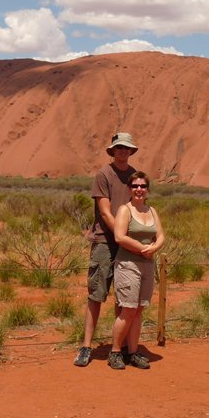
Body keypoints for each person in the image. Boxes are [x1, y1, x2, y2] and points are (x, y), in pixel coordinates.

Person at [73, 132, 138, 367]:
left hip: (126, 242)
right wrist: (121, 236)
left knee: (124, 297)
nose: (122, 151)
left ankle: (118, 349)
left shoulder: (134, 176)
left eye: (126, 148)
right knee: (96, 295)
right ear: (113, 151)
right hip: (104, 241)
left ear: (130, 151)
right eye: (119, 148)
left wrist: (131, 239)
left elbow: (137, 207)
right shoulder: (104, 174)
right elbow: (104, 211)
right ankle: (86, 347)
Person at [107, 171, 165, 370]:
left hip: (147, 264)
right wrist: (143, 248)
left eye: (142, 186)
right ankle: (115, 352)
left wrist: (154, 248)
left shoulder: (151, 210)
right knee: (128, 309)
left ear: (147, 189)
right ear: (130, 189)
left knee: (139, 310)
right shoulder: (125, 210)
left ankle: (133, 352)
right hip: (128, 265)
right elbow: (119, 237)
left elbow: (161, 236)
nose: (139, 189)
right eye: (135, 186)